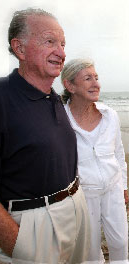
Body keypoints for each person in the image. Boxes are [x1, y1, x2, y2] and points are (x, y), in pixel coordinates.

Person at [0, 9, 90, 264]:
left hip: (77, 210)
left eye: (63, 44)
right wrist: (19, 246)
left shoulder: (53, 98)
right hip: (34, 224)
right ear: (19, 48)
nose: (62, 52)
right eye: (49, 41)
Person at [61, 58, 129, 264]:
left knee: (120, 243)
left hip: (113, 189)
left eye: (97, 78)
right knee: (89, 251)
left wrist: (124, 186)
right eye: (88, 78)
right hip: (82, 196)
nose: (96, 83)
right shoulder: (60, 120)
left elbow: (118, 152)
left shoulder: (110, 115)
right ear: (70, 85)